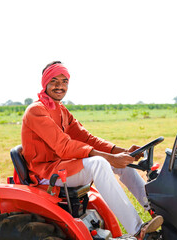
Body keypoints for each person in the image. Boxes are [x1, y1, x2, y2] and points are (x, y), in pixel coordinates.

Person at [21, 61, 163, 239]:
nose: (60, 86)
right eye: (54, 81)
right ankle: (137, 230)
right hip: (46, 173)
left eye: (64, 81)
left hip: (64, 166)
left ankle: (157, 212)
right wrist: (110, 158)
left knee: (122, 164)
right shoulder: (36, 111)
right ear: (45, 83)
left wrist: (122, 152)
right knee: (99, 163)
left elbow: (86, 138)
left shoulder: (62, 111)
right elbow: (63, 146)